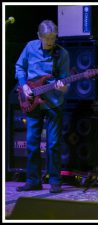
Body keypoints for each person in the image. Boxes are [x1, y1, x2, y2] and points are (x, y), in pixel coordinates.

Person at [15, 20, 70, 193]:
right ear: (39, 36)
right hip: (32, 101)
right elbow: (19, 67)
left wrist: (63, 86)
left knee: (53, 144)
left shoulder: (62, 54)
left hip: (54, 102)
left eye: (53, 38)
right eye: (46, 38)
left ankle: (55, 181)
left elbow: (65, 81)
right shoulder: (30, 47)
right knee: (32, 142)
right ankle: (33, 180)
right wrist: (24, 85)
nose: (50, 42)